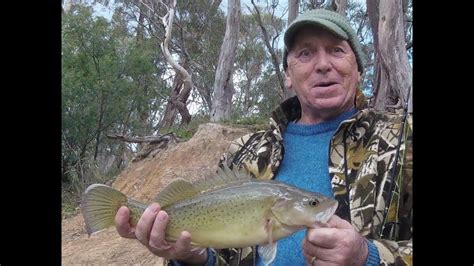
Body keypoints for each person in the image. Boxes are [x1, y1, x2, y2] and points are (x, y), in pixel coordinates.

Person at [114, 8, 413, 266]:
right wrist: (192, 257)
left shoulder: (403, 140)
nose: (323, 64)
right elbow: (220, 257)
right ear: (287, 75)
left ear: (359, 69)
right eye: (305, 53)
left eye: (337, 50)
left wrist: (369, 257)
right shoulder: (244, 153)